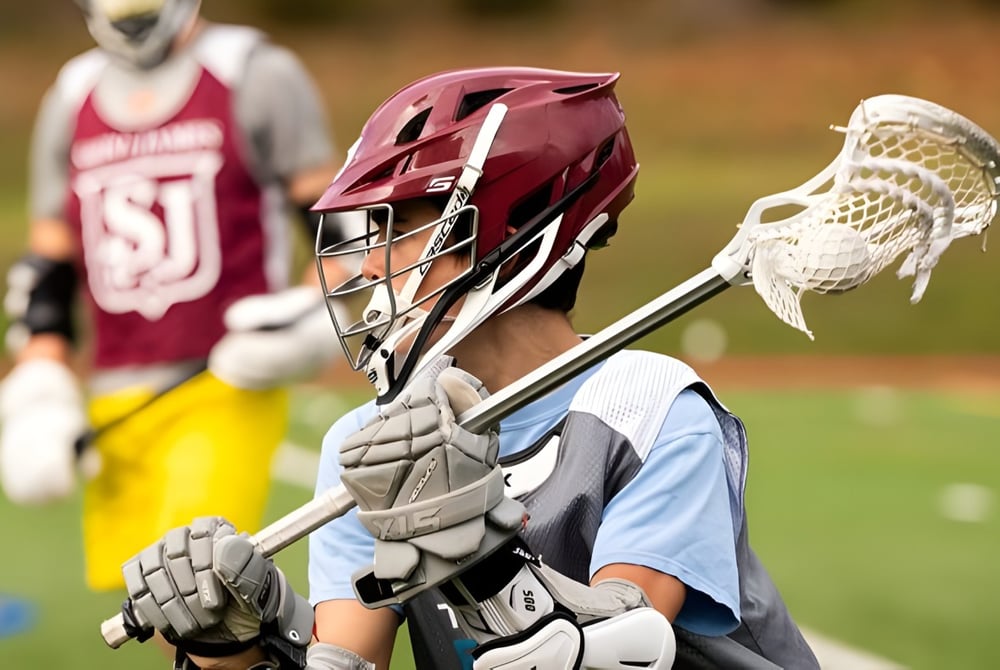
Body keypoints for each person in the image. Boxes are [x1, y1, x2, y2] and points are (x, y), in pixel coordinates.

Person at [116, 67, 821, 669]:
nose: (368, 266)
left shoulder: (649, 408)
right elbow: (346, 660)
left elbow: (625, 649)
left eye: (399, 231)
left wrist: (480, 556)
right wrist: (249, 641)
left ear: (511, 234)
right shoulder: (367, 443)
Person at [0, 0, 358, 593]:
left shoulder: (252, 71)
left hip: (225, 378)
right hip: (114, 387)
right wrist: (41, 380)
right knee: (139, 598)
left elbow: (335, 222)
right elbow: (51, 253)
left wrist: (311, 310)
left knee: (195, 587)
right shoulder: (73, 92)